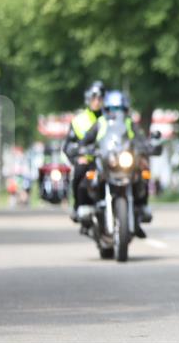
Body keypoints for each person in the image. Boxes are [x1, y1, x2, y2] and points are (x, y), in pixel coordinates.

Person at [73, 90, 154, 237]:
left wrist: (147, 146)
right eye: (112, 109)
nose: (116, 113)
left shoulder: (129, 123)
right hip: (106, 162)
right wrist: (81, 147)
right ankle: (84, 211)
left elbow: (139, 138)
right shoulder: (101, 123)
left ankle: (141, 209)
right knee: (86, 179)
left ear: (125, 109)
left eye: (120, 109)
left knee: (144, 175)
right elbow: (87, 139)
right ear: (107, 109)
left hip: (125, 162)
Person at [63, 81, 105, 222]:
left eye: (100, 98)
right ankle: (77, 205)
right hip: (89, 159)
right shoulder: (79, 120)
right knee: (80, 170)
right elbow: (68, 145)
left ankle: (136, 208)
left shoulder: (111, 118)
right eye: (94, 98)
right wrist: (77, 155)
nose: (97, 101)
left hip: (108, 159)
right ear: (88, 99)